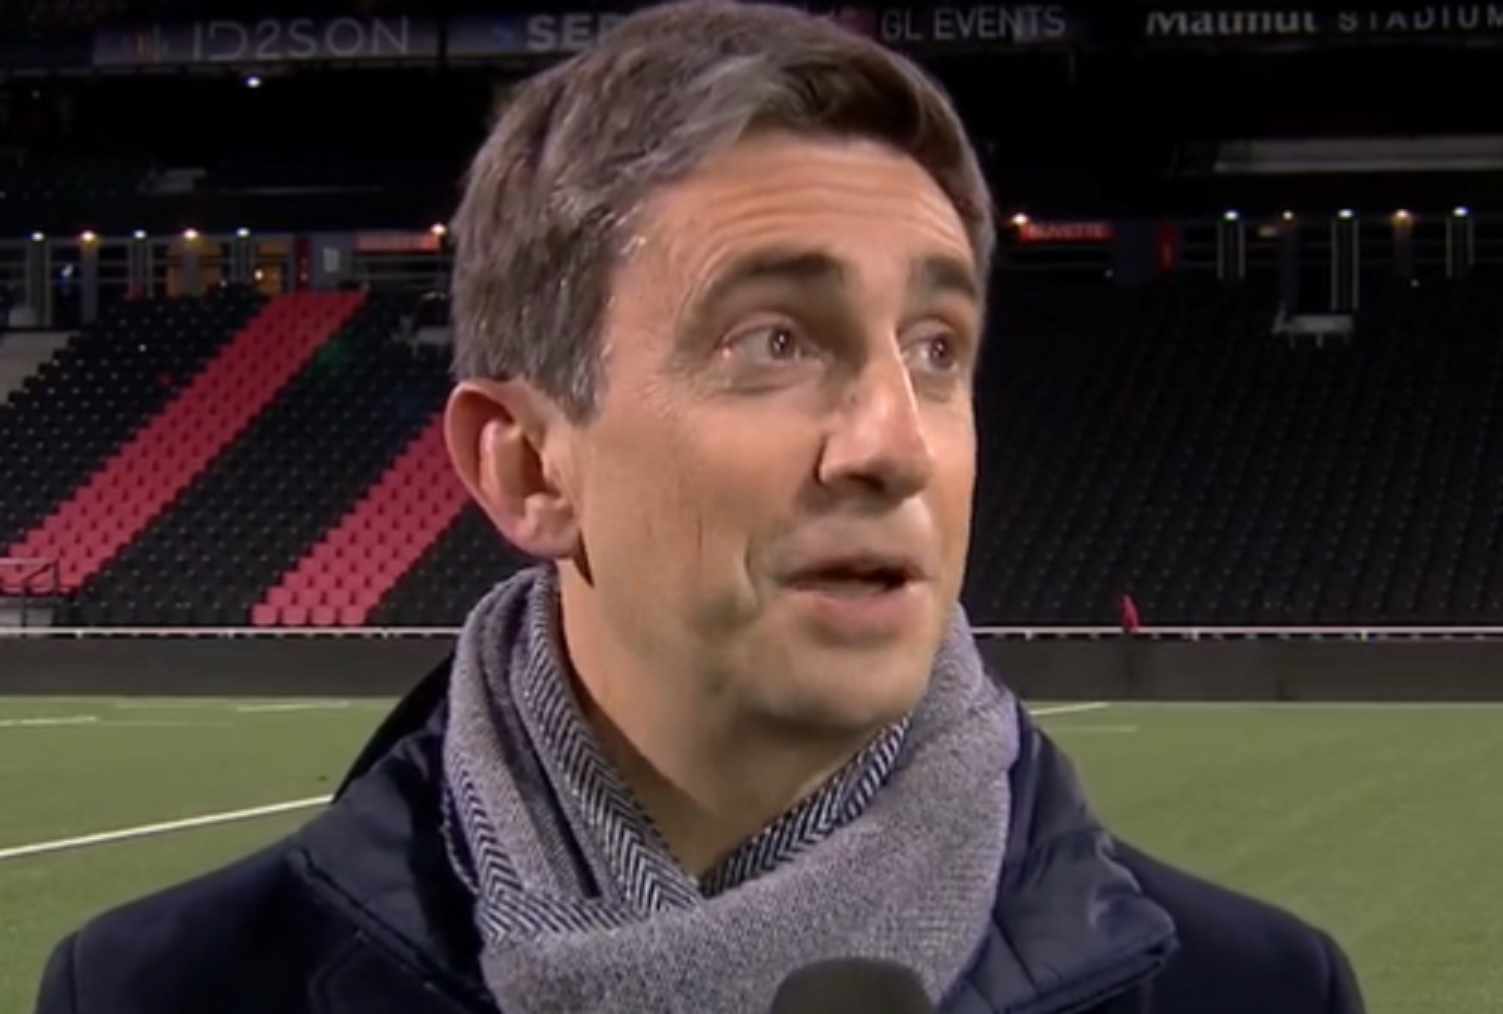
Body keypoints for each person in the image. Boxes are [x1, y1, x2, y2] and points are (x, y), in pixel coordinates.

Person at [34, 3, 1365, 1012]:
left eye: (937, 348)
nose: (894, 445)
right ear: (528, 467)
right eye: (773, 340)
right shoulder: (160, 990)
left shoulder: (1258, 991)